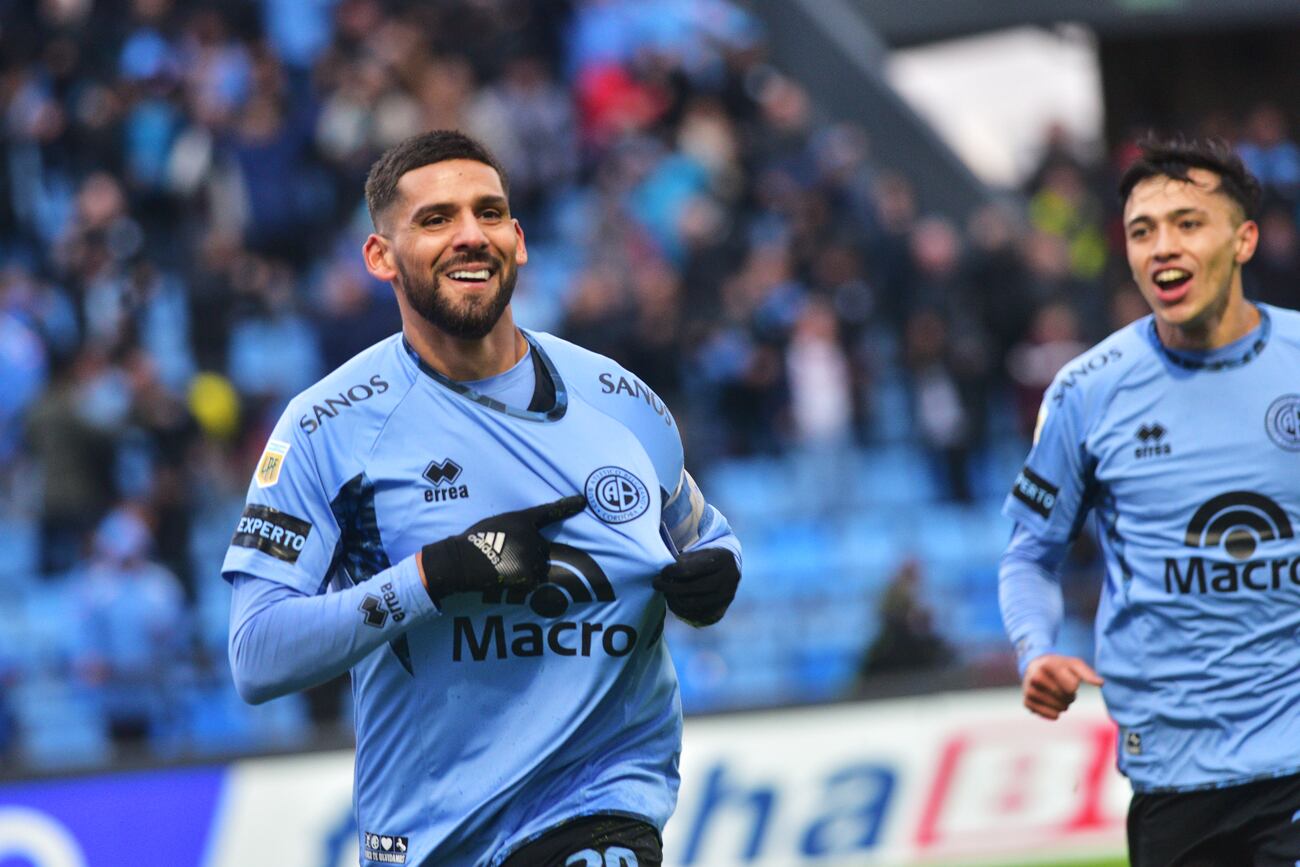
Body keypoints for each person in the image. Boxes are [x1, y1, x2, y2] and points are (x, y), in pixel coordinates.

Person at [224, 130, 743, 866]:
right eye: (435, 219)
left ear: (520, 240)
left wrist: (715, 573)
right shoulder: (327, 428)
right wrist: (433, 577)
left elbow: (702, 534)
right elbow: (257, 653)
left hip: (598, 801)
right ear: (380, 257)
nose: (470, 235)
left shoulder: (620, 400)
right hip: (425, 833)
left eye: (489, 212)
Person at [998, 136, 1300, 866]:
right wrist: (1037, 651)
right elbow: (1030, 555)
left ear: (1244, 238)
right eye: (1143, 230)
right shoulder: (1087, 391)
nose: (1163, 246)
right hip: (1170, 774)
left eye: (1189, 222)